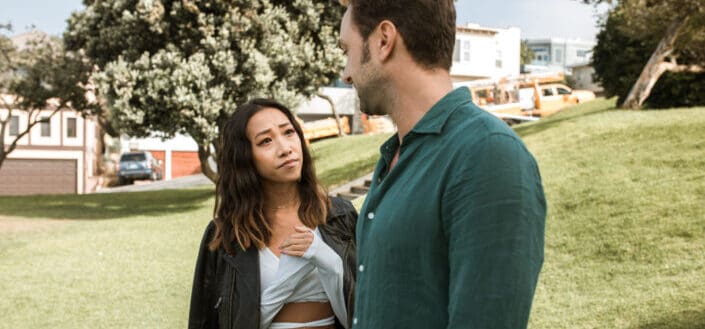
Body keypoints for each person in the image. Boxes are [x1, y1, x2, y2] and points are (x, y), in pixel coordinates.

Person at [337, 1, 546, 328]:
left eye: (346, 50)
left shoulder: (487, 155)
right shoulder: (395, 156)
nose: (346, 72)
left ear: (383, 40)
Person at [188, 99, 358, 329]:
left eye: (289, 132)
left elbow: (366, 312)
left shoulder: (339, 216)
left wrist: (329, 262)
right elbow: (204, 321)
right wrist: (287, 279)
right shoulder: (225, 234)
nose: (285, 148)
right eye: (266, 141)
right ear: (245, 156)